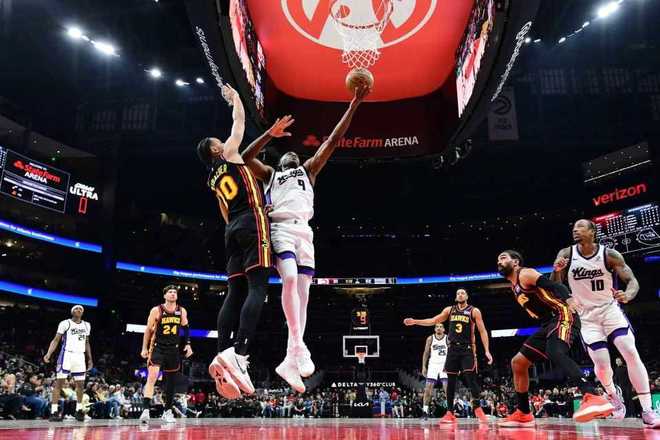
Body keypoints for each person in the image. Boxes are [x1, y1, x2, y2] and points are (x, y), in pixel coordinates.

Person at [241, 84, 370, 392]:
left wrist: (354, 104)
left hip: (305, 232)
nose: (290, 154)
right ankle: (298, 346)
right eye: (286, 153)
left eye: (294, 153)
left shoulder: (309, 169)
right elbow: (245, 157)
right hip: (281, 228)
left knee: (304, 295)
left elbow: (334, 139)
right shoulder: (270, 174)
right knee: (287, 279)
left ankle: (290, 358)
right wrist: (269, 134)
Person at [197, 84, 272, 399]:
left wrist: (238, 226)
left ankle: (222, 351)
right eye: (219, 141)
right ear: (216, 150)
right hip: (252, 219)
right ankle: (240, 354)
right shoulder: (229, 152)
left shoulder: (211, 178)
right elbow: (238, 122)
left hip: (231, 230)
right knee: (258, 287)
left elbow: (224, 211)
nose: (223, 140)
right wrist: (237, 99)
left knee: (235, 291)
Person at [551, 219, 659, 428]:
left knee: (630, 351)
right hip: (586, 316)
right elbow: (554, 285)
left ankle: (647, 410)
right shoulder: (566, 254)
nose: (575, 230)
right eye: (573, 228)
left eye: (580, 227)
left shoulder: (609, 254)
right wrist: (556, 271)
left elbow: (632, 281)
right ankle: (612, 394)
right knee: (601, 365)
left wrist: (628, 294)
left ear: (592, 231)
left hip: (609, 310)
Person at [496, 250, 614, 427]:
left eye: (503, 258)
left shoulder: (525, 274)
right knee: (518, 363)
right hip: (547, 324)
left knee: (555, 351)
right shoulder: (514, 286)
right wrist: (556, 272)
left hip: (562, 314)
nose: (499, 261)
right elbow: (547, 290)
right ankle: (524, 413)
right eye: (498, 259)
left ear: (515, 262)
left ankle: (593, 395)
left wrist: (569, 299)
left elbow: (555, 286)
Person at [404, 288, 493, 424]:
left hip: (467, 349)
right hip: (452, 350)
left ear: (467, 296)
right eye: (458, 293)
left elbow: (482, 331)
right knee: (450, 382)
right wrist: (415, 321)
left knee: (471, 379)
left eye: (462, 293)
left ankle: (477, 408)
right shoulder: (449, 310)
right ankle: (450, 412)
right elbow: (433, 320)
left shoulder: (474, 311)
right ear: (456, 297)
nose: (460, 295)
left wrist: (486, 350)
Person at [139, 285, 193, 424]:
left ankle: (167, 411)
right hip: (158, 347)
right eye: (170, 292)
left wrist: (188, 344)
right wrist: (144, 348)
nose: (173, 294)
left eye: (175, 292)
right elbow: (148, 330)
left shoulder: (181, 311)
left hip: (173, 349)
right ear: (164, 295)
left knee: (171, 382)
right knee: (152, 376)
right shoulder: (156, 310)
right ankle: (145, 410)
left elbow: (186, 328)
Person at [43, 305, 92, 422]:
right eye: (76, 309)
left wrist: (90, 359)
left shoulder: (87, 325)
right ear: (72, 312)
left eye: (81, 309)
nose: (79, 310)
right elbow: (56, 340)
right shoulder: (65, 323)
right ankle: (54, 411)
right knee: (59, 384)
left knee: (80, 385)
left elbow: (87, 343)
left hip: (80, 356)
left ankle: (79, 410)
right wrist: (48, 353)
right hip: (66, 355)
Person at [421, 323, 448, 419]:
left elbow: (453, 353)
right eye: (437, 327)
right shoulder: (430, 338)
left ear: (444, 329)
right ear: (434, 329)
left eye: (441, 327)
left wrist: (454, 366)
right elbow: (426, 353)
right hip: (433, 365)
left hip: (444, 365)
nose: (439, 328)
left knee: (447, 389)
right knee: (428, 389)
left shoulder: (447, 338)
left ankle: (450, 411)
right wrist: (424, 367)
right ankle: (425, 411)